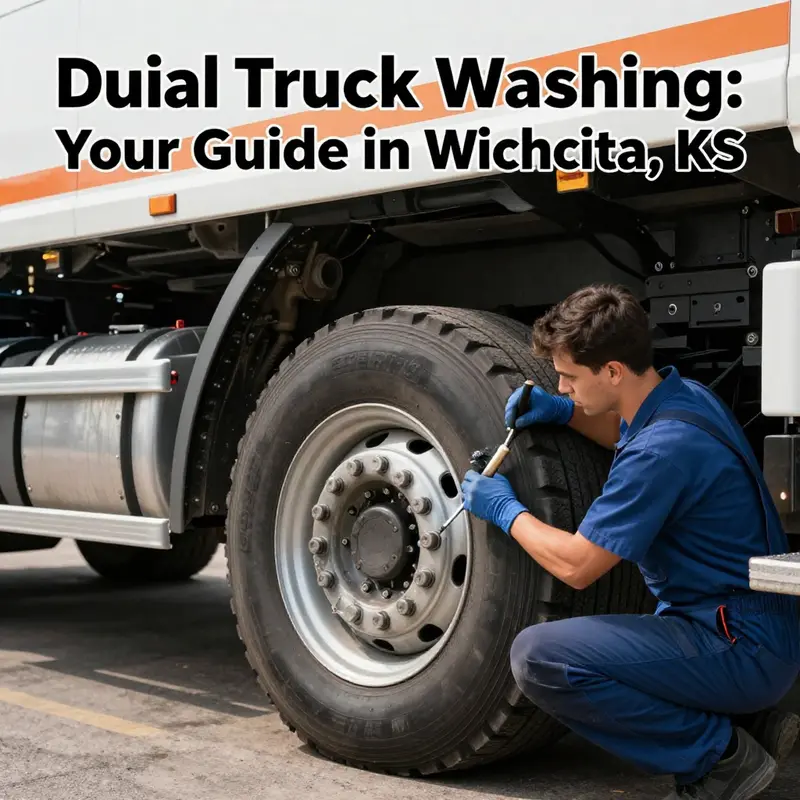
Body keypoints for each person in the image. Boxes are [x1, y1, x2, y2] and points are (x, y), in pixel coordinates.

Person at [460, 283, 800, 800]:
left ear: (613, 371)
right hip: (761, 633)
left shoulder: (659, 454)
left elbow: (577, 565)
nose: (561, 383)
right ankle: (754, 722)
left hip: (737, 646)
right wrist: (563, 411)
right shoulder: (684, 399)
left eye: (570, 377)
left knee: (539, 657)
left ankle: (719, 759)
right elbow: (624, 433)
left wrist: (505, 510)